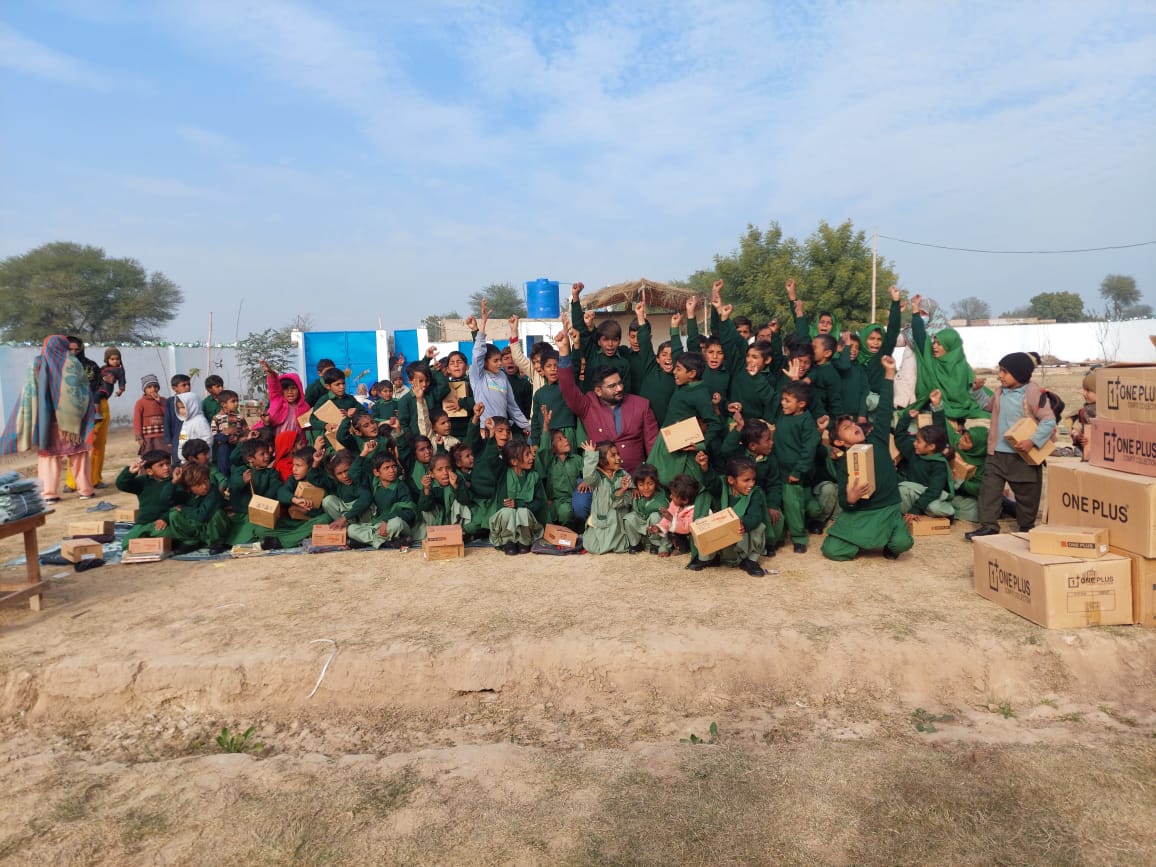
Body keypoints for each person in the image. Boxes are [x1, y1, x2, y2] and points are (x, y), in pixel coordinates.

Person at [821, 356, 915, 561]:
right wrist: (852, 500)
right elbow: (845, 501)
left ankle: (888, 541)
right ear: (838, 443)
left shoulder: (877, 439)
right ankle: (858, 543)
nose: (854, 426)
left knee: (903, 544)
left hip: (888, 509)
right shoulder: (843, 461)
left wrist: (889, 374)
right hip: (862, 514)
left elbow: (884, 411)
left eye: (853, 424)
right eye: (847, 428)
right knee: (831, 550)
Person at [964, 352, 1056, 539]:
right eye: (1000, 371)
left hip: (1022, 454)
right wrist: (977, 391)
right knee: (989, 492)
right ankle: (988, 526)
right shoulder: (999, 392)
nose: (1000, 376)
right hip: (997, 452)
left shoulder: (1032, 392)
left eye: (1005, 372)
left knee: (1027, 494)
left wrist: (1032, 441)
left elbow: (1048, 420)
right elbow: (986, 406)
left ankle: (1026, 527)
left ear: (1019, 373)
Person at [1, 335, 96, 503]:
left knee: (49, 457)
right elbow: (84, 392)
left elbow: (31, 390)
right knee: (78, 455)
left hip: (48, 421)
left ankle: (49, 493)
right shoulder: (73, 363)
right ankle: (86, 490)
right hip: (72, 422)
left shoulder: (37, 362)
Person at [556, 324, 659, 475]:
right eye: (612, 386)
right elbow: (568, 389)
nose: (619, 388)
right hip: (600, 480)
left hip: (636, 481)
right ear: (598, 391)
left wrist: (650, 478)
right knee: (580, 499)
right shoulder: (588, 405)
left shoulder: (641, 405)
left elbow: (653, 446)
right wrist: (564, 352)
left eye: (619, 383)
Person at [907, 294, 987, 420]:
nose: (934, 347)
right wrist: (915, 307)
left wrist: (976, 388)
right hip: (937, 410)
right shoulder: (931, 362)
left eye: (940, 344)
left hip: (960, 413)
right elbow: (918, 333)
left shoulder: (963, 368)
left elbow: (970, 393)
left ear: (950, 347)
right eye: (934, 342)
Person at [692, 456, 769, 576]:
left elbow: (756, 515)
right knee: (701, 522)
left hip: (741, 537)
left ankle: (750, 561)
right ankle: (709, 558)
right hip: (723, 540)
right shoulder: (722, 486)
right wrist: (705, 467)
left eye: (753, 479)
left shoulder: (755, 493)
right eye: (746, 480)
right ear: (731, 480)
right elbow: (711, 482)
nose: (751, 484)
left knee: (759, 527)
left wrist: (744, 524)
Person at [772, 380, 821, 554]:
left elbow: (809, 449)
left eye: (787, 400)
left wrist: (798, 471)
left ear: (801, 404)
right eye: (783, 399)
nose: (782, 403)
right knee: (798, 504)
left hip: (795, 474)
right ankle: (780, 535)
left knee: (793, 505)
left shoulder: (806, 422)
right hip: (780, 470)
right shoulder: (784, 415)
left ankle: (799, 538)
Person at [469, 300, 531, 433]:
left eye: (500, 360)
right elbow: (477, 354)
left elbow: (512, 406)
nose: (500, 363)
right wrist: (483, 324)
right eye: (495, 361)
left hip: (502, 428)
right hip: (485, 429)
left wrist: (526, 426)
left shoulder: (502, 376)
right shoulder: (478, 376)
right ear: (485, 362)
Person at [894, 394, 956, 518]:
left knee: (936, 508)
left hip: (931, 495)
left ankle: (923, 509)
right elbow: (900, 437)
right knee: (902, 490)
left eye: (918, 441)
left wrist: (916, 509)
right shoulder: (914, 451)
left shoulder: (939, 464)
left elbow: (934, 491)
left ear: (931, 447)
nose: (914, 443)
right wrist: (906, 418)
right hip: (912, 493)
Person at [487, 439, 546, 555]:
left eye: (530, 453)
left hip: (528, 525)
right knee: (507, 512)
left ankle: (524, 541)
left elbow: (539, 503)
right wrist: (492, 436)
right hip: (505, 523)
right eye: (527, 455)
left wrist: (519, 504)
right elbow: (491, 460)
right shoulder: (502, 474)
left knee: (523, 512)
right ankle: (508, 541)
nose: (531, 457)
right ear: (514, 461)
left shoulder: (534, 476)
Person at [579, 440, 634, 554]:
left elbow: (630, 495)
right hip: (602, 521)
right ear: (602, 461)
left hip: (619, 521)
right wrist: (591, 455)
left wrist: (627, 491)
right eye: (613, 455)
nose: (618, 457)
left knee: (622, 545)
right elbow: (588, 477)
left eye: (618, 454)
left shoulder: (623, 474)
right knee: (592, 546)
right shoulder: (597, 477)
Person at [167, 462, 231, 555]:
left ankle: (217, 543)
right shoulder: (184, 492)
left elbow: (202, 515)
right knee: (174, 514)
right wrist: (173, 482)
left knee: (218, 514)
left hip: (210, 529)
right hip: (196, 528)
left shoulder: (213, 492)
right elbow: (165, 501)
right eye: (198, 484)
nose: (205, 486)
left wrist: (184, 508)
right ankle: (191, 543)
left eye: (206, 480)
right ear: (188, 487)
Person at [115, 449, 175, 547]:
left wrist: (165, 519)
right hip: (144, 523)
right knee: (127, 545)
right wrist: (130, 472)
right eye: (161, 465)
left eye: (168, 464)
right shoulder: (143, 482)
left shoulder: (174, 482)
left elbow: (179, 506)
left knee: (167, 538)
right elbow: (121, 484)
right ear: (149, 471)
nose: (166, 468)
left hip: (163, 523)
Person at [624, 463, 671, 555]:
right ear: (636, 485)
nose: (646, 488)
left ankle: (656, 544)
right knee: (629, 518)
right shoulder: (637, 494)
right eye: (641, 484)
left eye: (650, 484)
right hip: (643, 523)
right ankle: (636, 544)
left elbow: (665, 524)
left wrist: (664, 548)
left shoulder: (662, 501)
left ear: (656, 483)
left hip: (656, 530)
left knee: (655, 516)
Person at [259, 360, 310, 436]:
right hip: (278, 442)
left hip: (297, 444)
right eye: (285, 389)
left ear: (299, 389)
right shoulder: (277, 401)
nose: (290, 392)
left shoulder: (305, 407)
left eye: (293, 388)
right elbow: (274, 386)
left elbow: (306, 427)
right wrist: (270, 373)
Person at [210, 390, 247, 476]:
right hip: (224, 449)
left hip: (238, 448)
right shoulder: (216, 418)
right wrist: (226, 436)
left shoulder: (240, 417)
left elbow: (245, 432)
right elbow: (214, 435)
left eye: (237, 401)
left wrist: (241, 438)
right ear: (223, 404)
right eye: (233, 401)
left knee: (238, 468)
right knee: (224, 470)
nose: (236, 403)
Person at [133, 374, 168, 456]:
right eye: (149, 387)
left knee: (164, 455)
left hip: (162, 435)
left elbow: (167, 414)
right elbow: (137, 420)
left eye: (155, 386)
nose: (153, 389)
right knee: (149, 457)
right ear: (144, 389)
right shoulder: (140, 403)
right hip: (148, 437)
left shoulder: (164, 400)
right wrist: (139, 437)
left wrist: (160, 402)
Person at [163, 374, 192, 464]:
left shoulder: (193, 399)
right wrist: (168, 439)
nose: (187, 387)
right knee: (177, 459)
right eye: (184, 385)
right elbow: (167, 420)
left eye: (188, 384)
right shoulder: (171, 401)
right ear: (174, 388)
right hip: (177, 436)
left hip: (191, 434)